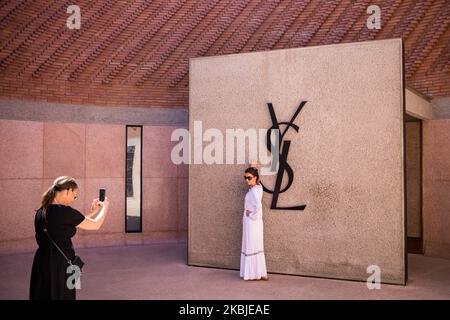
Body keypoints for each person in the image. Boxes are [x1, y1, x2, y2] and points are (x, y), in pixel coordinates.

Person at [29, 176, 110, 300]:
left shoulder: (41, 211)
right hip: (62, 265)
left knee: (43, 294)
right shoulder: (65, 212)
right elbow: (95, 225)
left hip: (41, 262)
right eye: (75, 195)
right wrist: (105, 208)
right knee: (63, 295)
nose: (74, 199)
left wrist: (93, 212)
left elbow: (69, 222)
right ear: (69, 190)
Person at [240, 165, 268, 281]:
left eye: (249, 178)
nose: (247, 180)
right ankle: (260, 272)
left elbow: (258, 207)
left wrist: (250, 215)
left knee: (251, 245)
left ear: (255, 177)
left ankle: (254, 273)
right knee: (255, 244)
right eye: (245, 177)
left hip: (252, 223)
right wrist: (253, 167)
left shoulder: (255, 191)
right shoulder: (257, 187)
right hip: (254, 223)